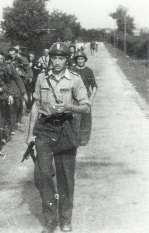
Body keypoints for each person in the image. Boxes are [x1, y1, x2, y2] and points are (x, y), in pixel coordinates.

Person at [26, 42, 90, 233]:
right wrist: (30, 134)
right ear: (49, 59)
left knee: (66, 178)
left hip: (66, 130)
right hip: (44, 130)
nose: (57, 62)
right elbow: (36, 106)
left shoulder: (75, 80)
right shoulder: (41, 78)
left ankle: (65, 219)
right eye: (54, 58)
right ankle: (51, 219)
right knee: (44, 175)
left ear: (66, 60)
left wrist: (70, 107)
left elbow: (86, 107)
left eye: (61, 58)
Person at [71, 51, 98, 145]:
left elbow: (94, 86)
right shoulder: (72, 71)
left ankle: (84, 138)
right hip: (74, 97)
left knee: (85, 119)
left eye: (82, 59)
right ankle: (74, 137)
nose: (80, 61)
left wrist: (91, 100)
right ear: (76, 60)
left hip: (86, 96)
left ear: (85, 60)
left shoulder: (88, 71)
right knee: (74, 117)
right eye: (78, 59)